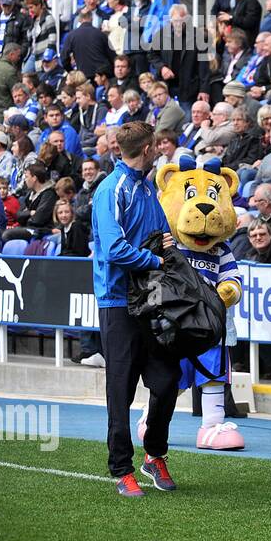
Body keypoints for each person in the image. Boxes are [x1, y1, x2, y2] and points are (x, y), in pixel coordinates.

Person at [90, 123, 178, 497]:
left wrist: (172, 251)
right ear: (146, 149)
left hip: (150, 300)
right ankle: (121, 469)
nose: (159, 150)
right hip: (118, 302)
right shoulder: (111, 189)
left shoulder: (145, 186)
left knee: (167, 381)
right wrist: (156, 259)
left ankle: (153, 454)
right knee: (120, 391)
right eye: (156, 145)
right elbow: (114, 250)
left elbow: (162, 234)